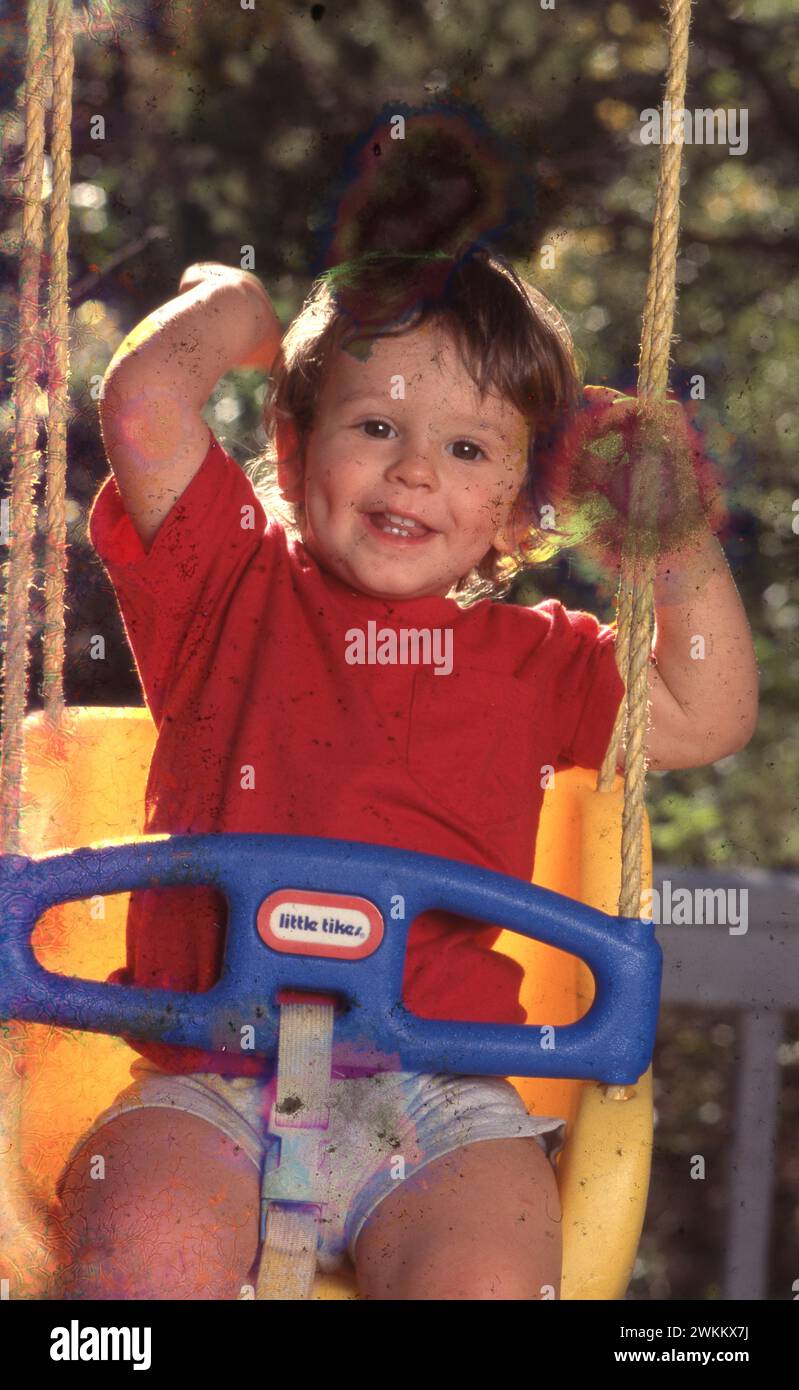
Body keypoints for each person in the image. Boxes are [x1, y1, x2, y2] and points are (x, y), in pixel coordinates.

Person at [50, 249, 758, 1301]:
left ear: (520, 513)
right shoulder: (227, 585)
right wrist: (234, 307)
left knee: (485, 1278)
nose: (415, 470)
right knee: (138, 1259)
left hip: (438, 1098)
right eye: (376, 427)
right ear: (290, 453)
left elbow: (711, 711)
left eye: (468, 448)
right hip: (206, 1069)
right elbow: (147, 399)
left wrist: (669, 533)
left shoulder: (540, 661)